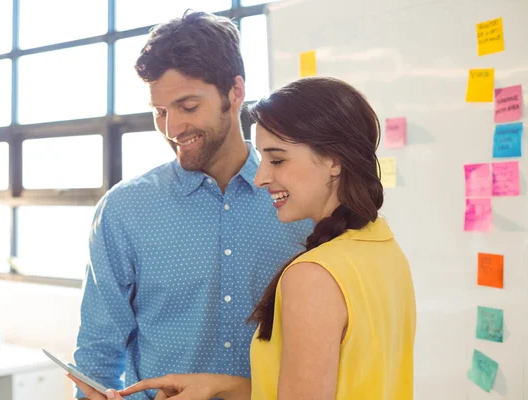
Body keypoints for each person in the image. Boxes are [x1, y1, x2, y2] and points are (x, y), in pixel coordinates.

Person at [88, 77, 417, 399]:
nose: (260, 177)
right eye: (159, 111)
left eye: (277, 160)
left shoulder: (312, 276)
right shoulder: (385, 249)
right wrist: (222, 387)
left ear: (333, 161)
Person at [71, 11, 313, 400]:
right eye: (160, 112)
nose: (171, 128)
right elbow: (96, 358)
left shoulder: (299, 204)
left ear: (234, 92)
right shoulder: (125, 210)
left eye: (187, 106)